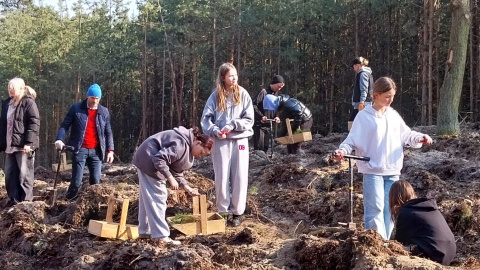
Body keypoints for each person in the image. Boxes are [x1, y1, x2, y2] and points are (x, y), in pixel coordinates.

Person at [332, 77, 433, 240]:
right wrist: (342, 151)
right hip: (372, 170)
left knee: (390, 209)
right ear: (376, 94)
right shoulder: (363, 116)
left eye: (392, 96)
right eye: (387, 96)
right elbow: (351, 140)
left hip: (392, 170)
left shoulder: (393, 115)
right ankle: (375, 244)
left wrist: (420, 137)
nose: (390, 100)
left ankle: (385, 243)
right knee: (375, 208)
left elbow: (406, 134)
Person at [132, 126, 213, 245]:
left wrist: (187, 187)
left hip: (145, 159)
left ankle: (145, 231)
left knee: (147, 198)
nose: (199, 156)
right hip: (149, 160)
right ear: (198, 142)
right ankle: (161, 235)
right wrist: (170, 178)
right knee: (159, 197)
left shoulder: (186, 146)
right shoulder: (180, 145)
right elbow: (159, 159)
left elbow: (177, 170)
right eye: (201, 152)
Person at [201, 62, 254, 227]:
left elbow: (249, 119)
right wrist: (215, 130)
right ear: (223, 77)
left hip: (240, 141)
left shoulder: (243, 94)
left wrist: (233, 125)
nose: (234, 78)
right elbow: (206, 118)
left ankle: (237, 212)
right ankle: (223, 211)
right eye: (231, 75)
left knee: (239, 176)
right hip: (221, 142)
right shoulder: (215, 95)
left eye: (236, 75)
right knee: (222, 176)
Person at [54, 83, 114, 200]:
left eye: (97, 98)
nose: (95, 101)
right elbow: (64, 125)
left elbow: (108, 132)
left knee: (95, 182)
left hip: (96, 151)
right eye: (92, 98)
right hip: (79, 149)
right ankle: (68, 203)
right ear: (87, 96)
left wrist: (110, 150)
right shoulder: (76, 109)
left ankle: (91, 207)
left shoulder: (104, 112)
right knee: (76, 182)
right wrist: (59, 139)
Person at [389, 180, 456, 265]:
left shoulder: (406, 212)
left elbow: (398, 243)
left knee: (400, 249)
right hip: (450, 251)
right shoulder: (428, 206)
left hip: (435, 253)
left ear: (394, 198)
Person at [0, 78, 39, 205]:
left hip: (24, 146)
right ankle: (14, 200)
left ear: (21, 88)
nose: (10, 89)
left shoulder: (28, 103)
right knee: (10, 175)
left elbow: (34, 123)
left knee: (24, 176)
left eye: (13, 87)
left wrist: (28, 143)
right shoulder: (7, 103)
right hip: (10, 145)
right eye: (9, 87)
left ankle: (26, 202)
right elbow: (3, 125)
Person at [252, 75, 284, 152]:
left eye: (281, 87)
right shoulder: (263, 91)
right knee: (259, 149)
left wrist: (277, 117)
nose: (279, 89)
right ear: (273, 83)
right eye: (278, 86)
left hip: (269, 125)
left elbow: (276, 109)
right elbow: (253, 105)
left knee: (266, 148)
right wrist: (261, 116)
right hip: (259, 125)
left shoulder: (276, 95)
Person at [349, 56, 373, 130]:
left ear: (357, 65)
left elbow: (364, 89)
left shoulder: (363, 74)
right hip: (363, 103)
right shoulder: (366, 73)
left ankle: (353, 139)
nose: (353, 68)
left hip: (363, 104)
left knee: (352, 122)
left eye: (353, 66)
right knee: (354, 122)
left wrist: (361, 102)